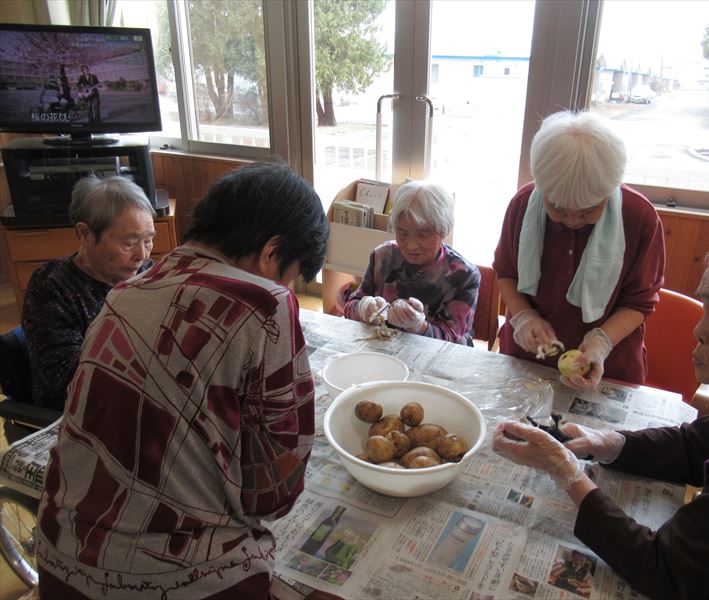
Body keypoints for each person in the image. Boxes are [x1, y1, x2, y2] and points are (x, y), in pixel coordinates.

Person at [36, 162, 329, 598]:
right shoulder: (266, 304)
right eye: (291, 272)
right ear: (271, 253)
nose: (288, 284)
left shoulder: (123, 291)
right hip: (176, 582)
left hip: (59, 567)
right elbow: (272, 497)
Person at [492, 220, 709, 599]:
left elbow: (664, 569)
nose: (698, 331)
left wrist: (568, 473)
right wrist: (604, 441)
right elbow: (692, 444)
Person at [493, 110, 664, 389]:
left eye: (586, 212)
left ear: (608, 191)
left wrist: (601, 341)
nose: (572, 220)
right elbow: (506, 272)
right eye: (557, 209)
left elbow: (639, 301)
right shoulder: (523, 205)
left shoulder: (638, 217)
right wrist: (523, 317)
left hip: (608, 366)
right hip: (528, 357)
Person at [22, 175, 156, 411]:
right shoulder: (51, 286)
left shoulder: (146, 269)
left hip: (141, 390)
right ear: (85, 233)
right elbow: (63, 377)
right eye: (129, 242)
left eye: (148, 241)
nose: (142, 255)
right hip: (78, 410)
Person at [344, 180, 480, 345]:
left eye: (423, 234)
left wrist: (419, 326)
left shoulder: (464, 276)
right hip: (384, 353)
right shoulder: (383, 256)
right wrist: (363, 308)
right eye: (402, 232)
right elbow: (350, 306)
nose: (411, 245)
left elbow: (454, 341)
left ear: (444, 230)